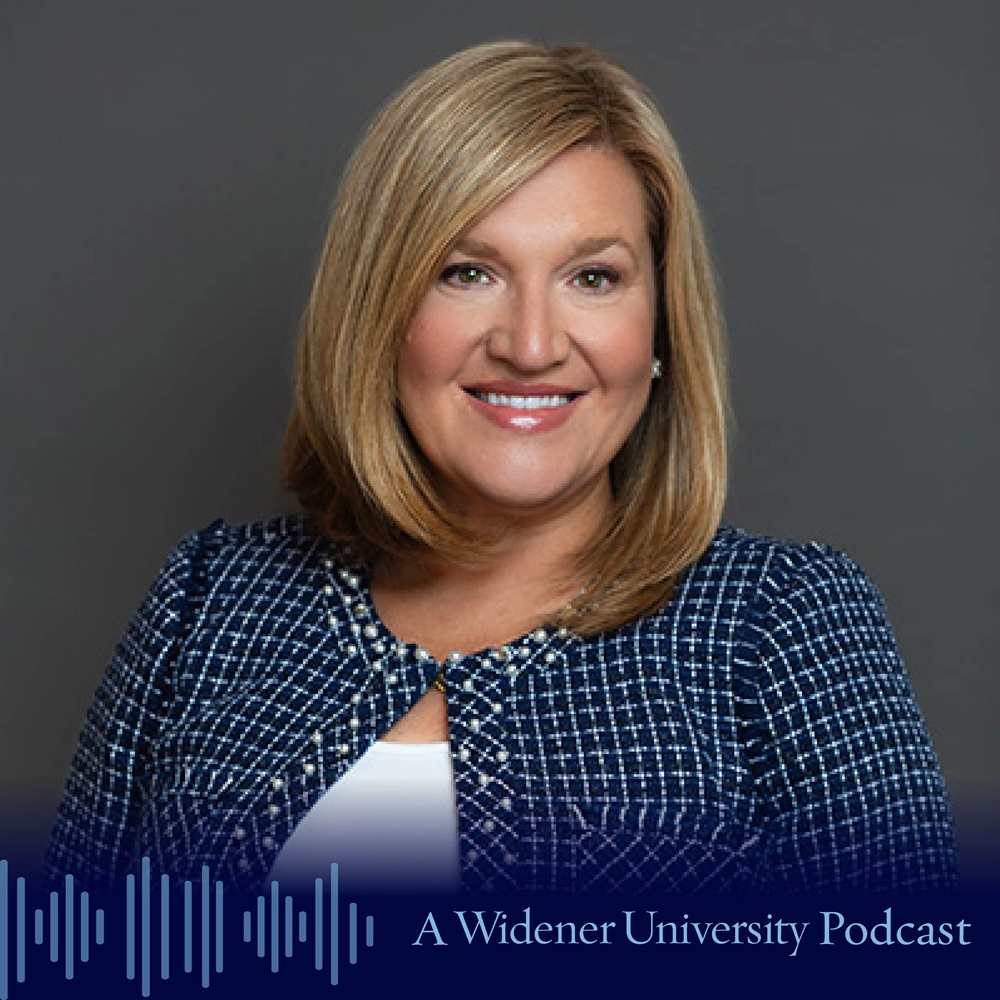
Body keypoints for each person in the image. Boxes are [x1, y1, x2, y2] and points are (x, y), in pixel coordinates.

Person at [46, 40, 957, 896]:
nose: (530, 344)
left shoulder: (778, 623)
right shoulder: (209, 603)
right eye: (466, 271)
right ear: (379, 313)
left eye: (592, 278)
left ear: (659, 331)